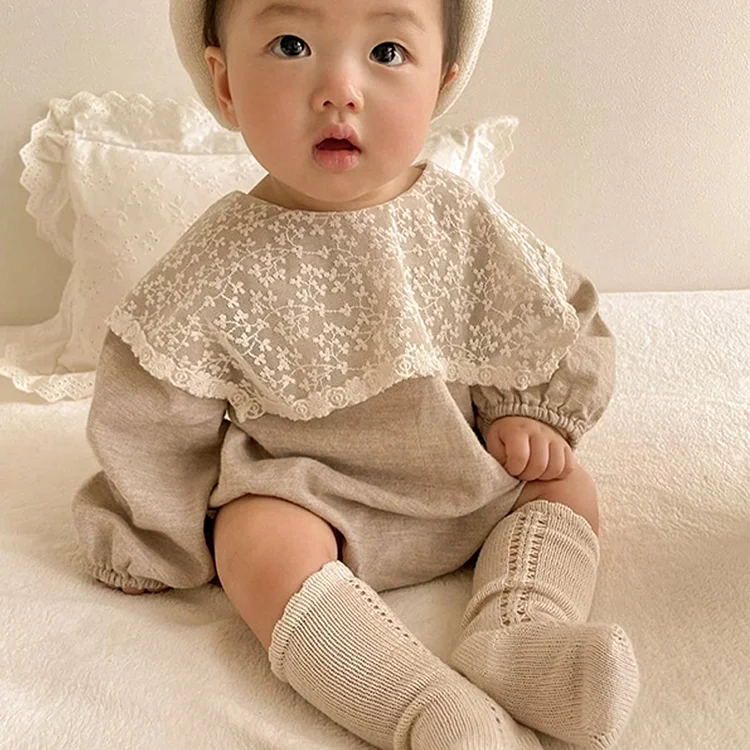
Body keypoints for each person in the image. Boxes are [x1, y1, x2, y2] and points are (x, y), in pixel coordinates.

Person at [71, 0, 640, 748]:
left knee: (564, 483)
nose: (339, 89)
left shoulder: (456, 216)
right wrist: (158, 535)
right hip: (310, 494)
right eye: (292, 44)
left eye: (387, 53)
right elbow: (155, 406)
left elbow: (544, 314)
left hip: (468, 468)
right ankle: (419, 703)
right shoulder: (222, 256)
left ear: (443, 82)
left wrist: (526, 411)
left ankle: (520, 632)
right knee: (254, 540)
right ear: (225, 83)